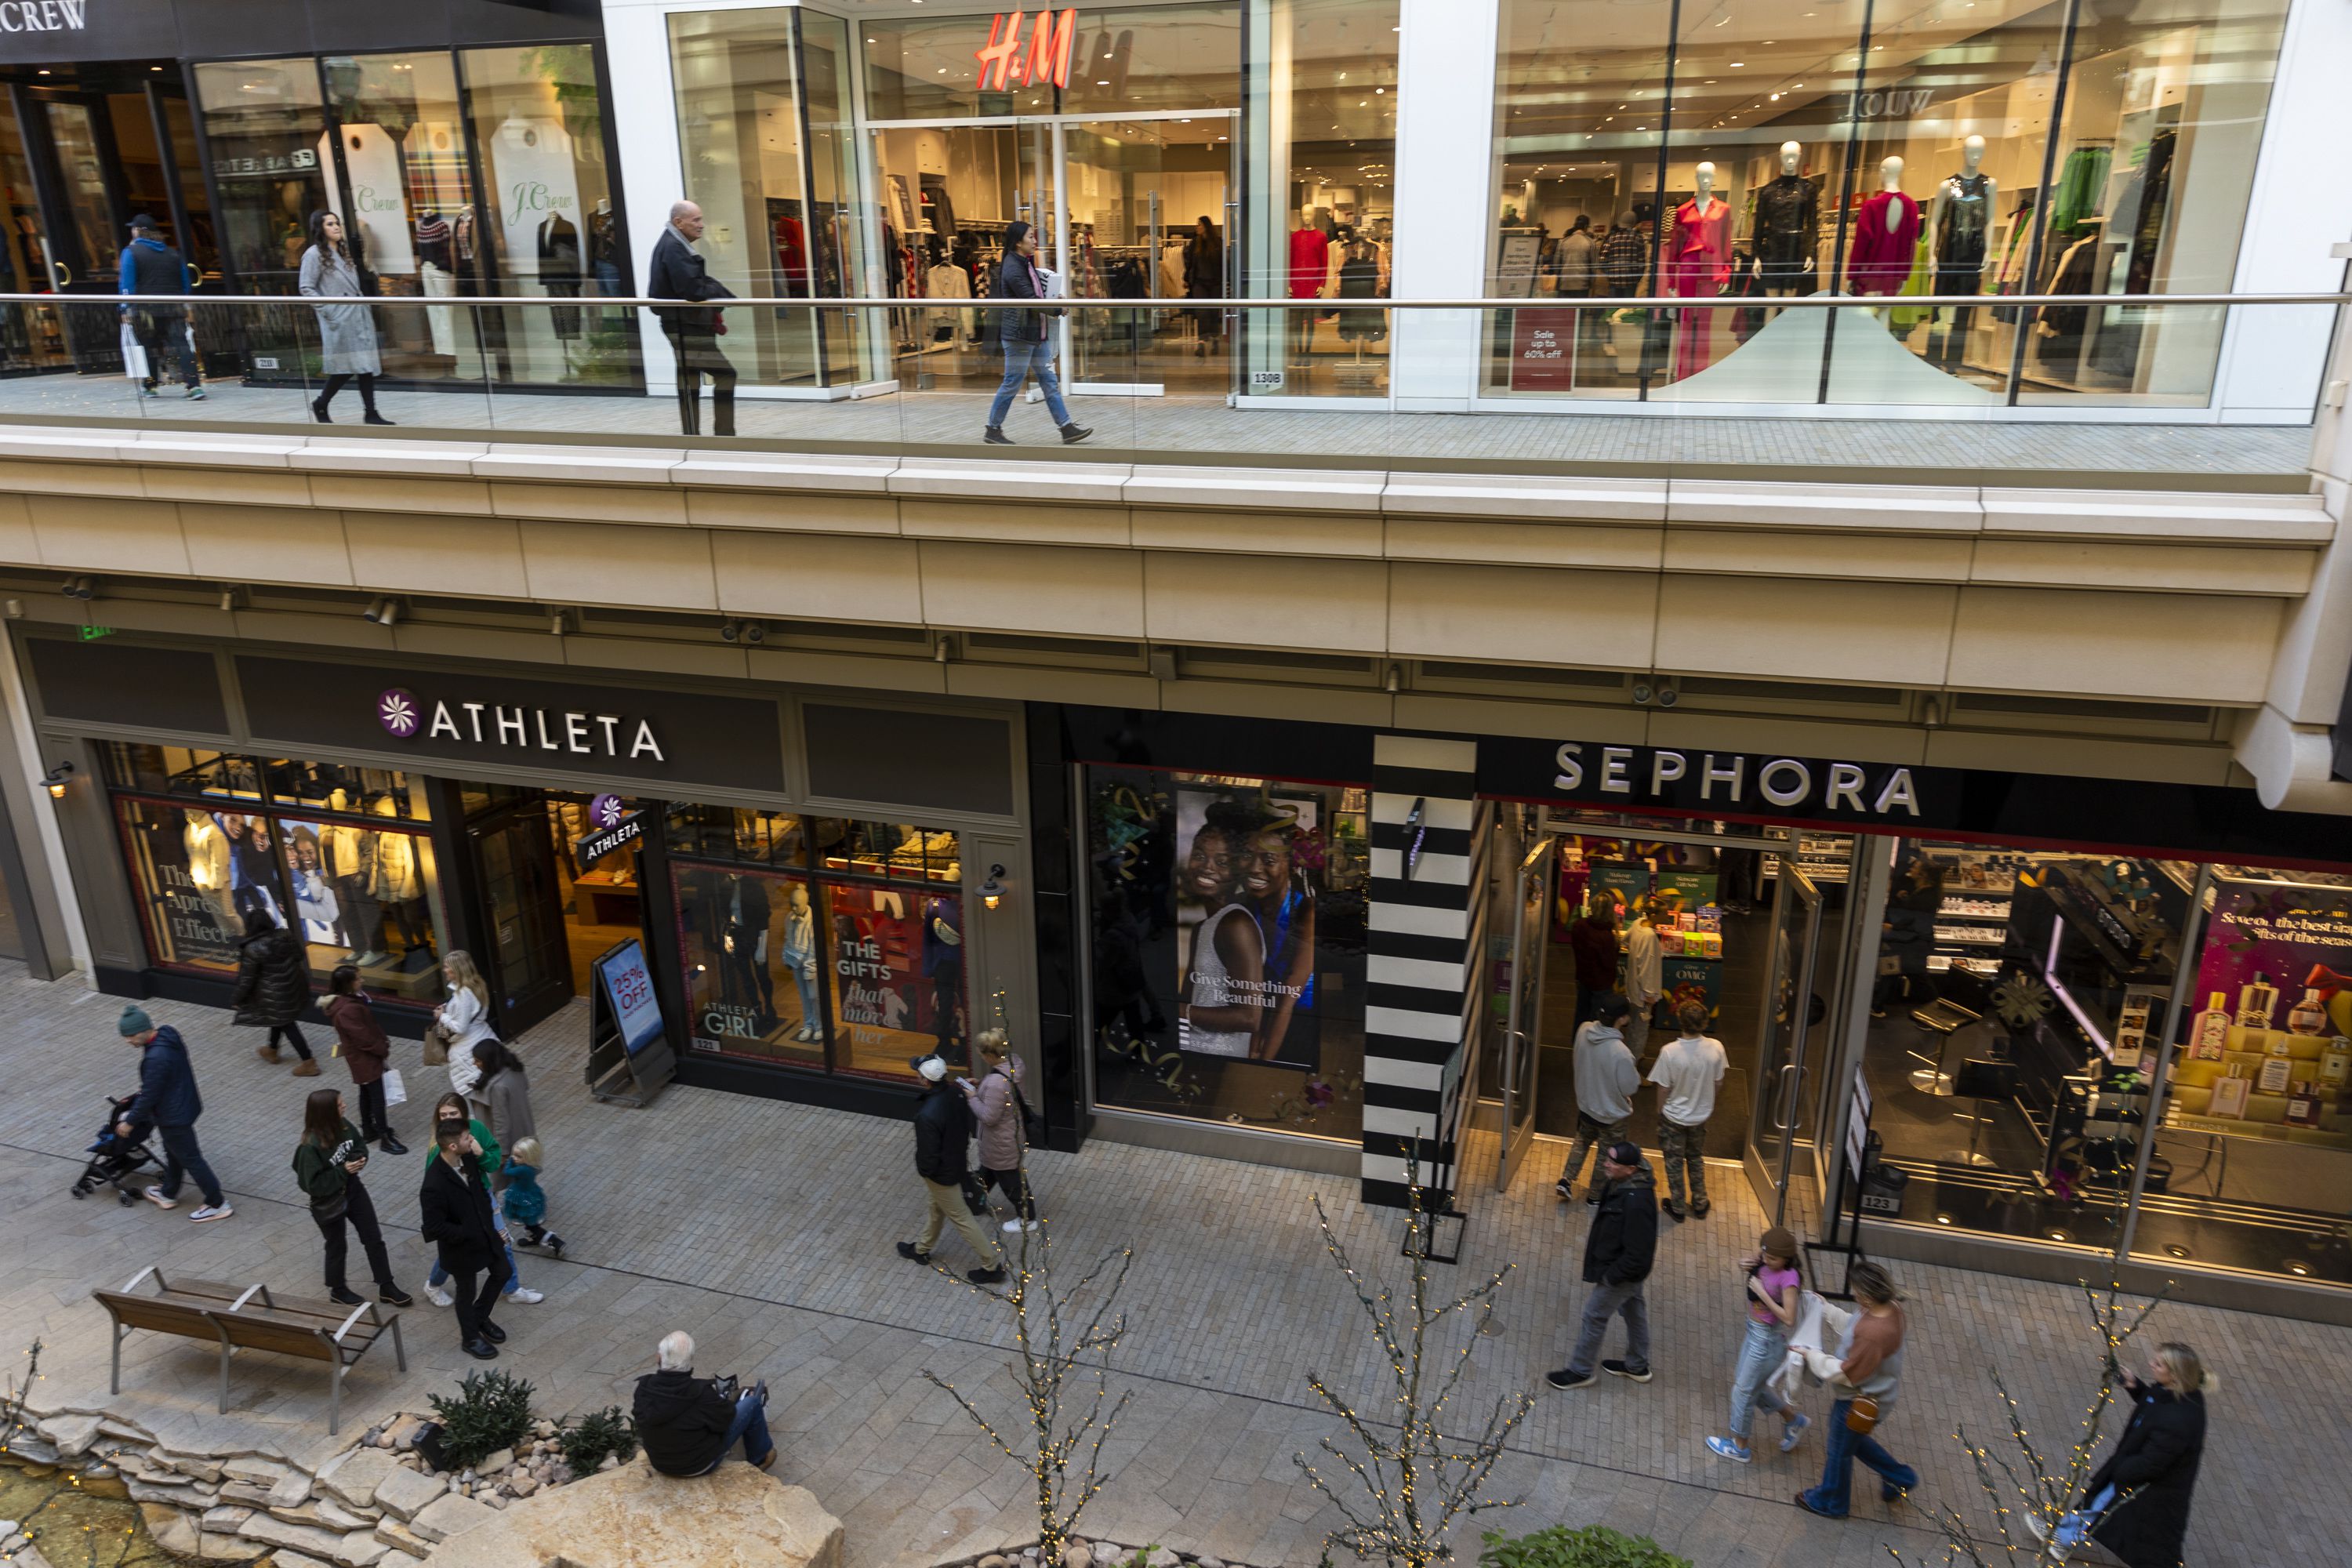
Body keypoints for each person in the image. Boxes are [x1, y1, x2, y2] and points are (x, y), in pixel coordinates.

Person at [2031, 1343, 2207, 1566]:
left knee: (2108, 1507)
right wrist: (2136, 1387)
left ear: (2175, 1374)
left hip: (2147, 1482)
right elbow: (2156, 1409)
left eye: (2159, 1364)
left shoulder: (2179, 1420)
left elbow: (2155, 1459)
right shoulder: (2179, 1395)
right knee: (2104, 1505)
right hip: (2141, 1473)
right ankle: (2062, 1536)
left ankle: (2061, 1538)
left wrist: (2122, 1471)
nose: (2151, 1364)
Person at [1795, 1260, 1918, 1519]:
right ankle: (1899, 1477)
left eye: (1857, 1292)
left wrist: (1811, 1356)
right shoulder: (1890, 1308)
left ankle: (1831, 1502)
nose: (1855, 1295)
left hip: (1858, 1399)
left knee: (1839, 1451)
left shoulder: (1875, 1333)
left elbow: (1846, 1374)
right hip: (1877, 1397)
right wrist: (1826, 1309)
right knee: (1852, 1442)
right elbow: (1855, 1328)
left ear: (1868, 1297)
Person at [1544, 1142, 1657, 1391]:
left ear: (1630, 1169)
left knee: (1594, 1316)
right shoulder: (1624, 1183)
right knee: (1634, 1311)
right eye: (1607, 1158)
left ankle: (1581, 1371)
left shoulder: (1636, 1201)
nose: (1605, 1164)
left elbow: (1638, 1254)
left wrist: (1610, 1276)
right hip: (1624, 1270)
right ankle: (1637, 1366)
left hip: (1621, 1273)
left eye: (1612, 1162)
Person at [419, 1091, 542, 1308]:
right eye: (444, 1115)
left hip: (482, 1196)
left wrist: (480, 1153)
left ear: (464, 1113)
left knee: (502, 1242)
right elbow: (433, 1182)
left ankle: (512, 1289)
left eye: (453, 1113)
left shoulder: (476, 1130)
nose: (449, 1118)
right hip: (458, 1206)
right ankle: (433, 1284)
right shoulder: (438, 1143)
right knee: (453, 1251)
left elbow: (493, 1164)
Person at [292, 1087, 411, 1308]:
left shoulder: (344, 1126)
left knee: (373, 1237)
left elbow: (359, 1146)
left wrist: (359, 1159)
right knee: (336, 1245)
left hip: (353, 1189)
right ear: (325, 1112)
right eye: (339, 1105)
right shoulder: (310, 1147)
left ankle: (387, 1286)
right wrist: (343, 1170)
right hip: (328, 1201)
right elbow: (311, 1185)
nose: (344, 1106)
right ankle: (338, 1290)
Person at [896, 1052, 1007, 1283]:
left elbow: (928, 1155)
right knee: (936, 1207)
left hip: (941, 1174)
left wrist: (926, 1172)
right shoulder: (956, 1093)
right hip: (956, 1161)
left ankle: (991, 1266)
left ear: (925, 1081)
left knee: (962, 1218)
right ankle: (922, 1249)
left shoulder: (926, 1115)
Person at [116, 1005, 232, 1223]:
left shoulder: (156, 1058)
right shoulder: (168, 1035)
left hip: (173, 1116)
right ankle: (168, 1192)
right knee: (174, 1152)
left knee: (191, 1158)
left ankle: (217, 1203)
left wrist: (130, 1121)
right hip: (183, 1107)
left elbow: (149, 1095)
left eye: (130, 1035)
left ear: (143, 1030)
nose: (128, 1041)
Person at [1704, 1226, 1809, 1463]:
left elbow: (1789, 1318)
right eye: (1765, 1255)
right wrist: (1749, 1263)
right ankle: (1794, 1421)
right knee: (1753, 1386)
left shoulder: (1789, 1278)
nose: (1766, 1260)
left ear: (1787, 1258)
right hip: (1754, 1333)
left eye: (1772, 1258)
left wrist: (1763, 1294)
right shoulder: (1766, 1259)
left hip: (1766, 1340)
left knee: (1742, 1392)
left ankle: (1739, 1446)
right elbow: (1756, 1262)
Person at [984, 220, 1091, 447]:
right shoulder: (1013, 267)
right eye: (1030, 237)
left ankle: (1066, 428)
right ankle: (993, 429)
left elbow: (1036, 292)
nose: (1034, 241)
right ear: (1017, 242)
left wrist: (1053, 299)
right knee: (1012, 382)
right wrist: (1056, 309)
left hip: (1034, 334)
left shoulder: (1024, 262)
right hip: (1020, 336)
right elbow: (1030, 301)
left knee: (1049, 381)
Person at [419, 1116, 509, 1359]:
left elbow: (479, 1191)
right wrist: (468, 1233)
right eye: (467, 1138)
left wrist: (490, 1225)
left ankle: (479, 1318)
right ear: (452, 1147)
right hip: (460, 1248)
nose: (472, 1140)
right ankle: (470, 1338)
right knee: (466, 1292)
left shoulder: (467, 1158)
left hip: (486, 1233)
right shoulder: (433, 1183)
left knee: (503, 1272)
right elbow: (434, 1227)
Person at [648, 201, 738, 437]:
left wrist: (712, 288)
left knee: (689, 380)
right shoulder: (674, 247)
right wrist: (718, 291)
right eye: (696, 220)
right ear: (679, 222)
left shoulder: (673, 244)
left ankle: (693, 435)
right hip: (687, 326)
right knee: (725, 374)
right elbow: (694, 291)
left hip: (684, 324)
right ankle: (724, 435)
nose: (702, 225)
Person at [633, 1330, 775, 1476]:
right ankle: (761, 1457)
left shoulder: (644, 1388)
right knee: (752, 1403)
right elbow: (725, 1421)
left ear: (659, 1357)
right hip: (699, 1465)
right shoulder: (701, 1393)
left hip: (660, 1463)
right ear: (690, 1360)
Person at [299, 211, 390, 425]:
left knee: (365, 365)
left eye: (337, 223)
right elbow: (306, 287)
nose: (336, 227)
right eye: (330, 224)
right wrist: (330, 311)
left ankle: (371, 412)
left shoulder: (342, 251)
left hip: (357, 315)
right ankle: (321, 403)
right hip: (340, 318)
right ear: (320, 229)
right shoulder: (313, 254)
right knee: (347, 367)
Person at [1647, 1000, 1728, 1221]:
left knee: (1674, 1161)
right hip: (1700, 1116)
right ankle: (1700, 1203)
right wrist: (1707, 1101)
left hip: (1674, 1117)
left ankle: (1678, 1206)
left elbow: (1663, 1088)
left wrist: (1659, 1110)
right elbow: (1719, 1082)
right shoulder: (1717, 1047)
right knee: (1694, 1157)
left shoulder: (1669, 1052)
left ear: (1680, 1021)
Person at [1555, 996, 1639, 1203]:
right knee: (1606, 1154)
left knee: (1582, 1140)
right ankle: (1595, 1196)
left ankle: (1566, 1179)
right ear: (1622, 1019)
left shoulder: (1584, 1030)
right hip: (1611, 1115)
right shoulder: (1621, 1053)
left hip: (1586, 1105)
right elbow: (1630, 1086)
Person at [321, 964, 405, 1155]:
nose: (362, 981)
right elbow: (363, 1037)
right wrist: (381, 1049)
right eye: (359, 978)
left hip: (361, 1057)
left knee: (366, 1091)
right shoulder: (348, 1009)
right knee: (376, 1095)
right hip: (365, 1057)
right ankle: (384, 1136)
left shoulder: (345, 1003)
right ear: (349, 984)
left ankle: (368, 1130)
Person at [117, 214, 201, 399]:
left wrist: (124, 308)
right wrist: (186, 306)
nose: (132, 231)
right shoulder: (173, 253)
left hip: (145, 308)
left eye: (133, 228)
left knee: (148, 346)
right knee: (182, 345)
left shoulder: (131, 252)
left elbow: (127, 284)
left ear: (139, 231)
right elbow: (185, 284)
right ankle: (194, 386)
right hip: (174, 306)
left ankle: (150, 386)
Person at [962, 1029, 1036, 1233]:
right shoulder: (1013, 1064)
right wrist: (982, 1085)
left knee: (1011, 1182)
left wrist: (972, 1096)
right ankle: (975, 1201)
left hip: (1000, 1142)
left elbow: (988, 1116)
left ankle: (1027, 1218)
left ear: (989, 1055)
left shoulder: (997, 1082)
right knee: (989, 1173)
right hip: (1009, 1135)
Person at [231, 908, 318, 1075]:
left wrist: (237, 998)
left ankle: (308, 1062)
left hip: (272, 993)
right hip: (292, 987)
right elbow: (299, 956)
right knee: (279, 1018)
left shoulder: (252, 948)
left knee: (286, 1023)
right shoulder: (286, 936)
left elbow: (246, 979)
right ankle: (272, 1049)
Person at [434, 950, 499, 1109]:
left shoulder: (463, 994)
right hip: (484, 1035)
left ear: (457, 970)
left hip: (467, 1047)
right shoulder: (478, 985)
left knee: (475, 1089)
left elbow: (460, 1027)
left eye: (447, 967)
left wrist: (442, 1016)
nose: (444, 970)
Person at [499, 1136, 564, 1257]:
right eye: (514, 1155)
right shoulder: (531, 1167)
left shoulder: (522, 1169)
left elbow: (507, 1172)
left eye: (519, 1156)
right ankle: (533, 1237)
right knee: (529, 1220)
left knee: (530, 1222)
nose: (515, 1158)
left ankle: (554, 1241)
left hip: (523, 1199)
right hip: (531, 1196)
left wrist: (509, 1162)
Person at [1566, 898, 1621, 1029]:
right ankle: (1591, 1048)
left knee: (1581, 1014)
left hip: (1583, 977)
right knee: (1597, 1020)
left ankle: (1578, 1044)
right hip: (1601, 984)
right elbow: (1609, 963)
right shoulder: (1606, 936)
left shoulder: (1580, 925)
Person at [1622, 906, 1664, 1057]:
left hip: (1632, 987)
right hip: (1642, 994)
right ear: (1654, 914)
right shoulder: (1650, 936)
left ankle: (1630, 1055)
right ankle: (1632, 1067)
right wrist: (1649, 995)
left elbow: (1625, 941)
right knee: (1640, 1031)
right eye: (1664, 912)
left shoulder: (1637, 923)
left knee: (1633, 1026)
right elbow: (1647, 967)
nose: (1666, 916)